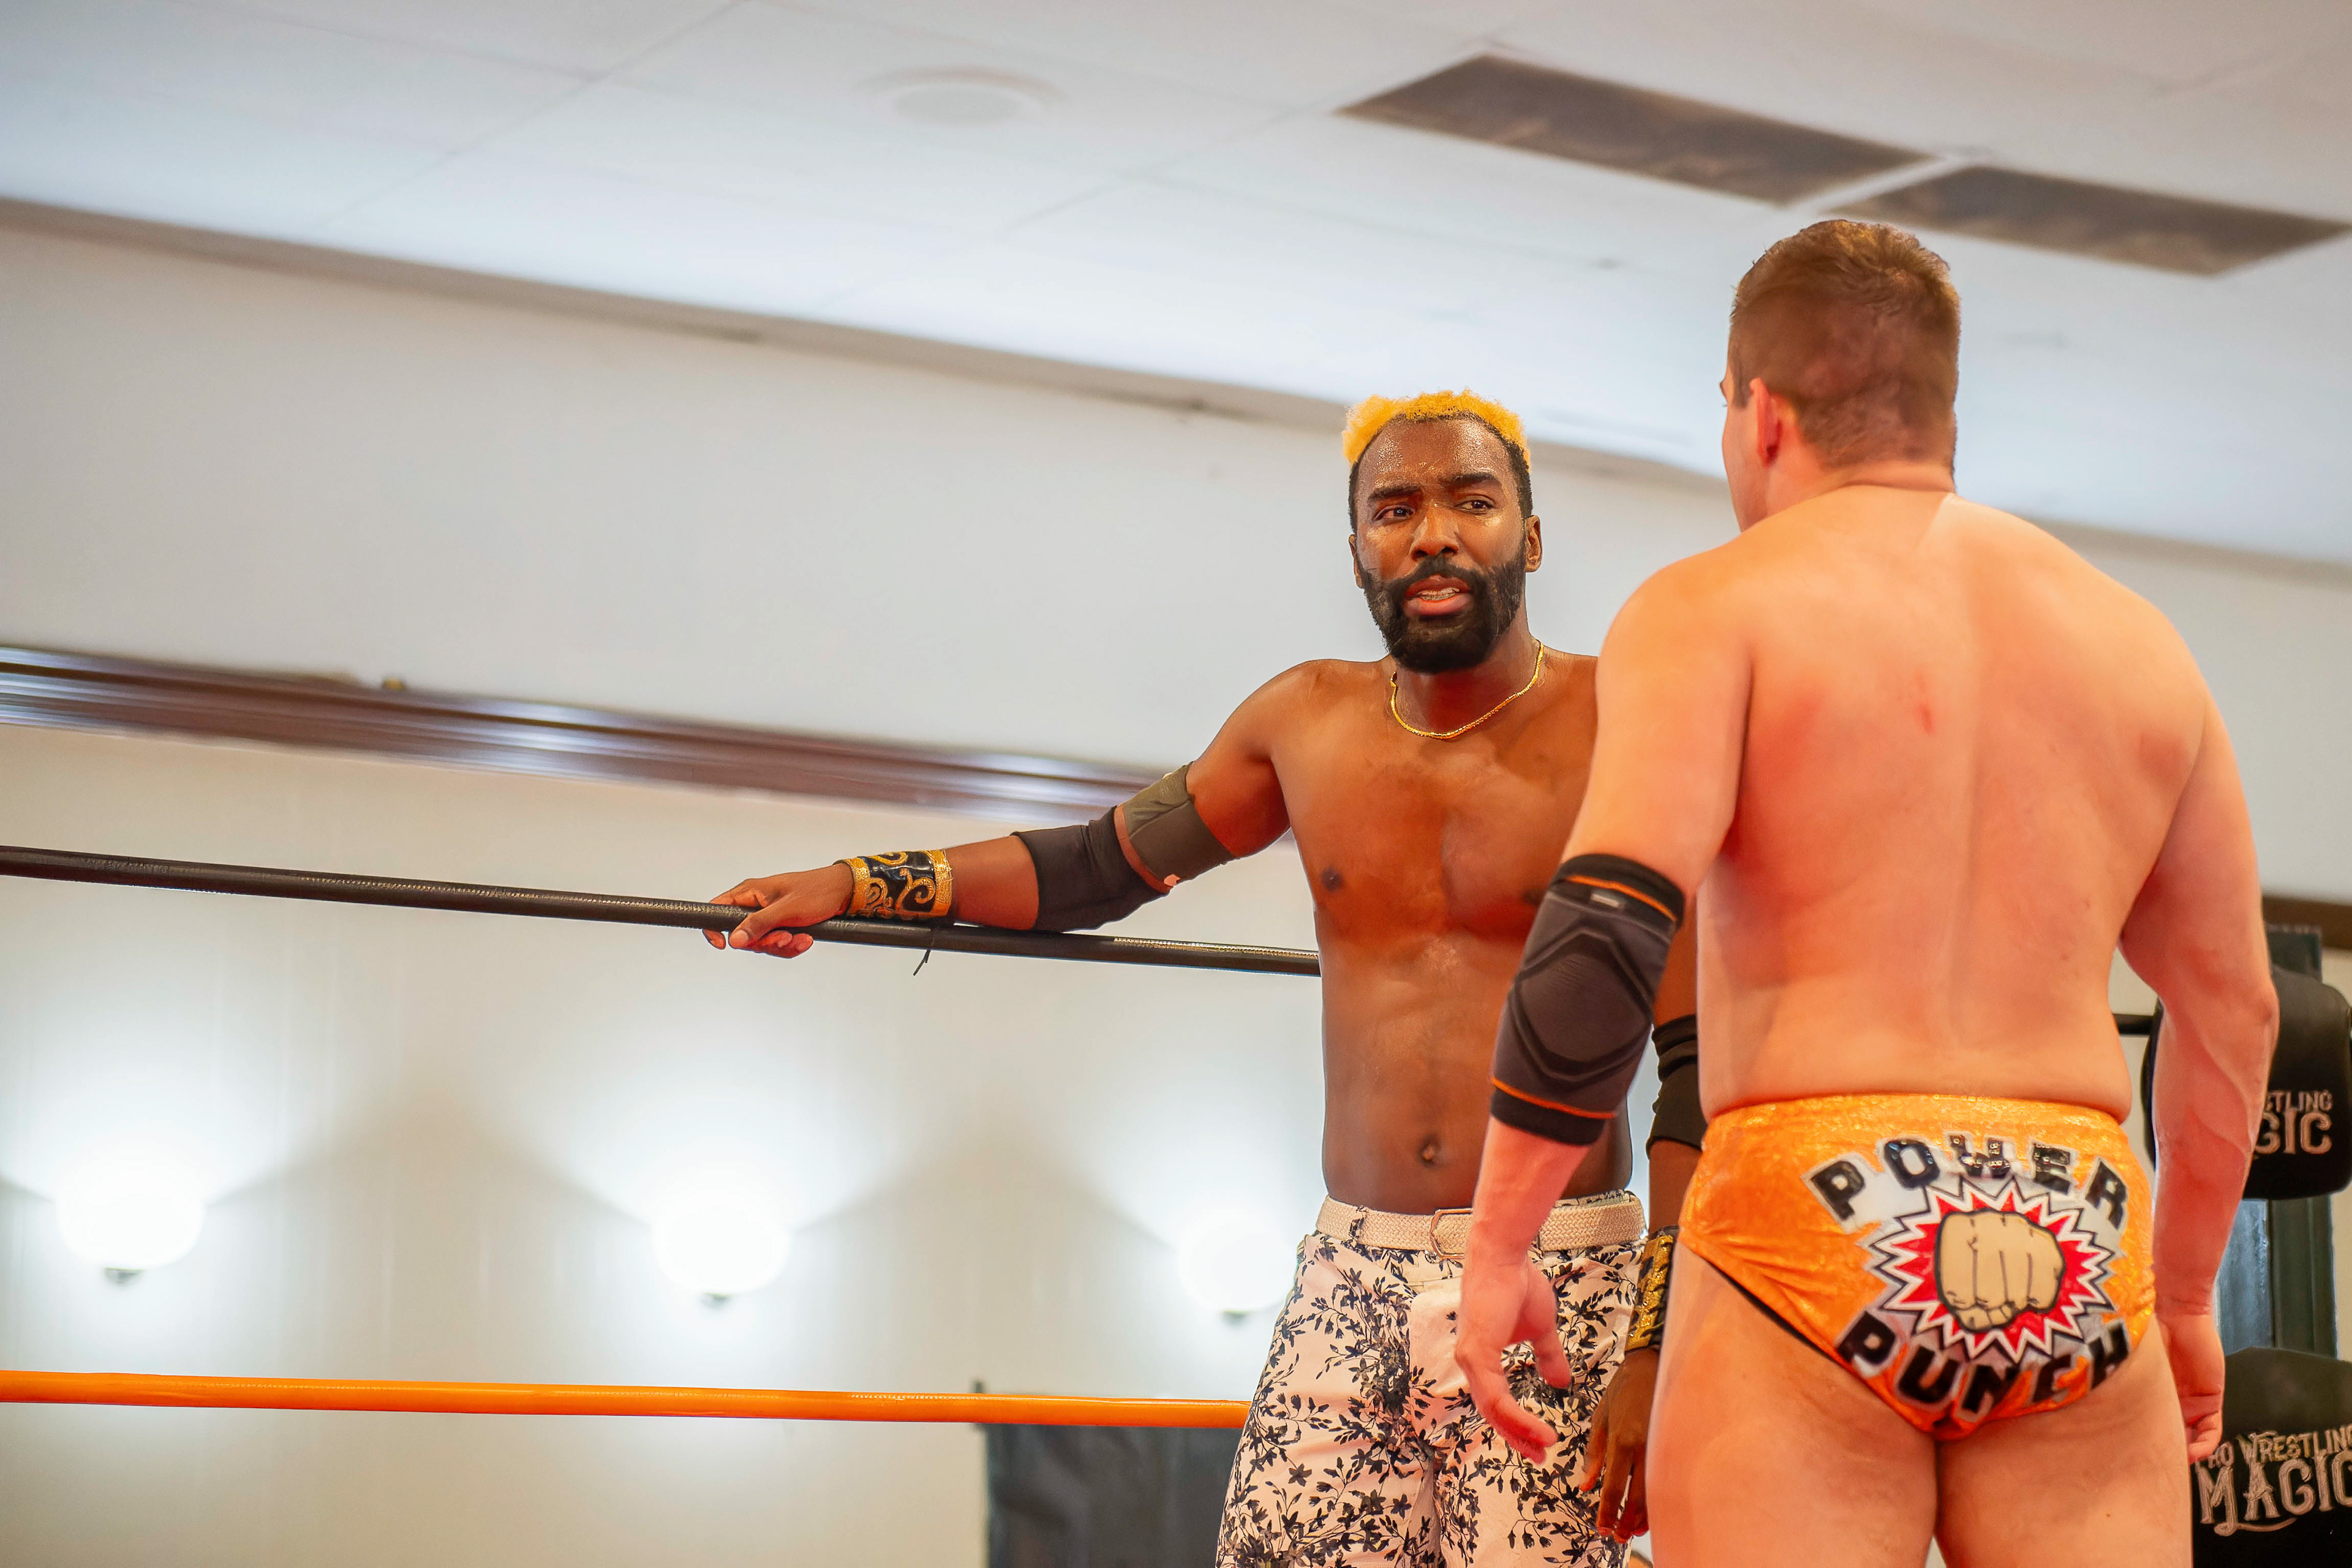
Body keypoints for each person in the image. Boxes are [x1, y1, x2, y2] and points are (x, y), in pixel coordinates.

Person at [705, 390, 1703, 1565]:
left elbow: (1695, 1065)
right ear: (1357, 551)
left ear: (1529, 537)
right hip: (1352, 1265)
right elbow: (1098, 867)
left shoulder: (1626, 722)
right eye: (1395, 510)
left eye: (1470, 501)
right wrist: (860, 881)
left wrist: (1657, 1344)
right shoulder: (1304, 721)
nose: (1432, 534)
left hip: (1567, 1269)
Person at [1453, 221, 2278, 1566]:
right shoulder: (2140, 643)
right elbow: (2236, 1008)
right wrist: (2185, 1295)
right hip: (2073, 1222)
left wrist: (1499, 1245)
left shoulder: (1714, 607)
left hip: (1810, 1209)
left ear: (1761, 414)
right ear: (1944, 414)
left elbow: (1604, 934)